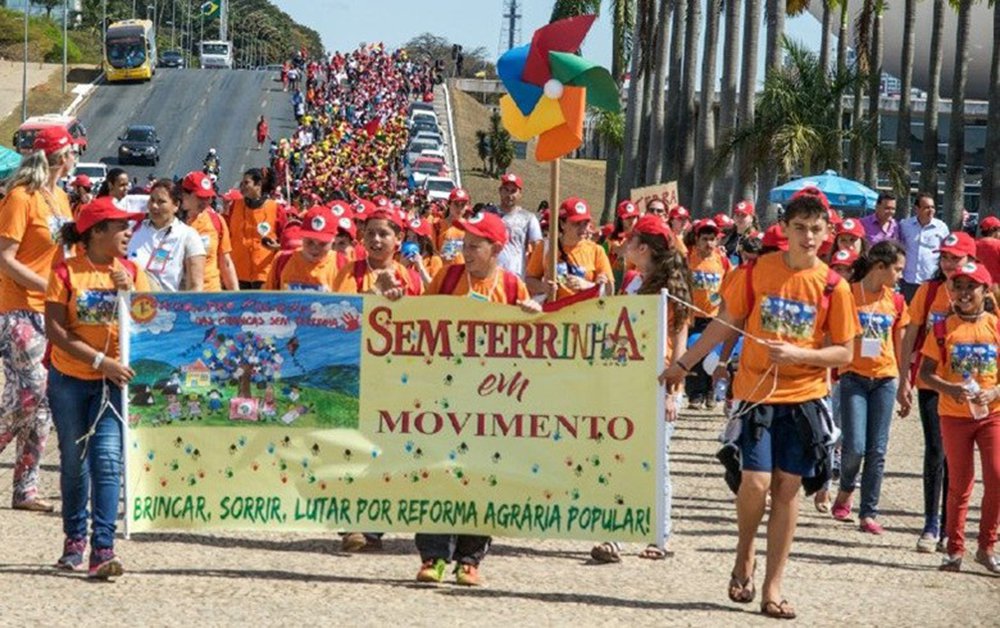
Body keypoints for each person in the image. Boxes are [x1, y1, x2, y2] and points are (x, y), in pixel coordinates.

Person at [660, 193, 858, 620]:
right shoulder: (754, 273)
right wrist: (683, 365)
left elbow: (844, 353)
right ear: (784, 229)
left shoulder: (833, 286)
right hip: (756, 396)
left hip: (804, 400)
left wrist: (800, 356)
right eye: (800, 227)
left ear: (827, 234)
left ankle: (772, 586)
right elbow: (724, 324)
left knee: (788, 489)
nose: (808, 236)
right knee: (754, 482)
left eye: (816, 229)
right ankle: (744, 552)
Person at [413, 212, 540, 586]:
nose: (464, 252)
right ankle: (433, 556)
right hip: (443, 395)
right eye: (463, 244)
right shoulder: (448, 277)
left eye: (473, 246)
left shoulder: (513, 287)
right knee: (437, 470)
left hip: (491, 400)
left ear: (496, 249)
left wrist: (533, 315)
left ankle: (470, 559)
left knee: (482, 476)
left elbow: (531, 344)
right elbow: (417, 320)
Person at [45, 196, 150, 578]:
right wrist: (98, 360)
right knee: (74, 464)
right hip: (70, 379)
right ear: (96, 233)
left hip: (112, 385)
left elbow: (152, 325)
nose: (129, 232)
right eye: (121, 226)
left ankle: (102, 549)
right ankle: (74, 538)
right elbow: (55, 329)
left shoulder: (133, 271)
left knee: (107, 462)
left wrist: (130, 294)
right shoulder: (66, 272)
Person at [591, 214, 693, 564]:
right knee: (620, 459)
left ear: (644, 248)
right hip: (628, 382)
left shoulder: (673, 291)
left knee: (657, 462)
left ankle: (659, 536)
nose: (624, 246)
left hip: (659, 382)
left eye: (631, 240)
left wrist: (673, 391)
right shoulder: (632, 284)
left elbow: (679, 344)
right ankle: (614, 535)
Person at [0, 126, 76, 513]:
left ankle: (25, 489)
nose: (75, 157)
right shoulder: (19, 197)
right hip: (18, 307)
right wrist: (46, 285)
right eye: (71, 152)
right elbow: (6, 257)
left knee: (43, 403)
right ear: (58, 157)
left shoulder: (61, 198)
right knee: (30, 391)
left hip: (50, 310)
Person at [917, 261, 1000, 574]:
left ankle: (987, 546)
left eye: (971, 287)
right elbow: (925, 373)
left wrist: (994, 393)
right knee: (960, 485)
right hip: (954, 415)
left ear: (984, 290)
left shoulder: (995, 324)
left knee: (996, 478)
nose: (964, 293)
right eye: (958, 287)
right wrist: (948, 387)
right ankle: (954, 550)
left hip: (992, 415)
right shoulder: (942, 328)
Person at [897, 230, 976, 553]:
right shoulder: (929, 292)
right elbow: (910, 332)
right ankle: (931, 523)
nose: (948, 264)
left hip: (970, 388)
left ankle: (950, 526)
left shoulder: (983, 295)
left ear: (970, 260)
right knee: (935, 451)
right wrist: (903, 378)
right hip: (931, 383)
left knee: (958, 460)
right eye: (944, 257)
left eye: (955, 258)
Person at [832, 241, 908, 534]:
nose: (900, 275)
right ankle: (847, 487)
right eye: (897, 269)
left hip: (885, 379)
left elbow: (900, 345)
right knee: (855, 447)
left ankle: (868, 513)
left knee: (877, 449)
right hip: (853, 377)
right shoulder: (848, 295)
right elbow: (834, 335)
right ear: (880, 267)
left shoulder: (897, 301)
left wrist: (904, 384)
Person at [524, 197, 613, 301]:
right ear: (562, 224)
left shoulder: (597, 251)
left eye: (585, 223)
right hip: (555, 313)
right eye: (576, 223)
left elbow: (610, 291)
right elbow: (529, 280)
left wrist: (587, 285)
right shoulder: (546, 247)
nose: (583, 228)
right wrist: (544, 287)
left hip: (586, 313)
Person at [684, 218, 731, 410]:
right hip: (693, 316)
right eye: (705, 239)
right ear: (697, 239)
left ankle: (711, 392)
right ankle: (696, 393)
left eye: (712, 239)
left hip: (714, 316)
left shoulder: (722, 260)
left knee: (712, 355)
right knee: (694, 354)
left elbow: (730, 284)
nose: (709, 243)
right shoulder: (688, 258)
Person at [127, 179, 206, 292]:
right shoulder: (133, 230)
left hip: (167, 306)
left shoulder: (188, 236)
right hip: (131, 303)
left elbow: (196, 285)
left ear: (176, 205)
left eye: (161, 202)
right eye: (152, 200)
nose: (154, 206)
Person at [228, 168, 287, 289]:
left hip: (264, 274)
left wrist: (276, 247)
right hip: (238, 273)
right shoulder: (235, 205)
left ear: (258, 184)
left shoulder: (275, 208)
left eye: (246, 183)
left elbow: (286, 241)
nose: (242, 187)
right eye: (242, 183)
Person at [180, 171, 239, 291]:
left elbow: (225, 262)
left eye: (208, 198)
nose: (205, 202)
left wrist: (236, 295)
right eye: (200, 197)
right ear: (184, 195)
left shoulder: (216, 220)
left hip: (211, 295)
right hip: (179, 296)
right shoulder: (172, 223)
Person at [266, 205, 341, 291]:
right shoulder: (282, 260)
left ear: (333, 240)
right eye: (309, 241)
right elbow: (267, 298)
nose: (314, 248)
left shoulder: (341, 265)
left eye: (322, 244)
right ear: (302, 237)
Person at [899, 192, 949, 303]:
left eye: (933, 207)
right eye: (926, 207)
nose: (931, 210)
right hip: (909, 281)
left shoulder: (941, 227)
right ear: (917, 209)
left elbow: (946, 253)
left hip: (931, 281)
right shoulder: (905, 225)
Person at [495, 173, 542, 278]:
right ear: (500, 191)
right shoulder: (488, 215)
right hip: (492, 275)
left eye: (513, 191)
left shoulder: (528, 218)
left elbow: (537, 247)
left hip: (517, 276)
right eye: (506, 190)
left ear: (520, 193)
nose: (509, 195)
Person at [434, 188, 470, 265]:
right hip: (442, 270)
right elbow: (433, 251)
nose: (459, 208)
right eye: (456, 204)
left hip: (461, 271)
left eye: (463, 205)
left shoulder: (470, 228)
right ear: (449, 204)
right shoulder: (437, 225)